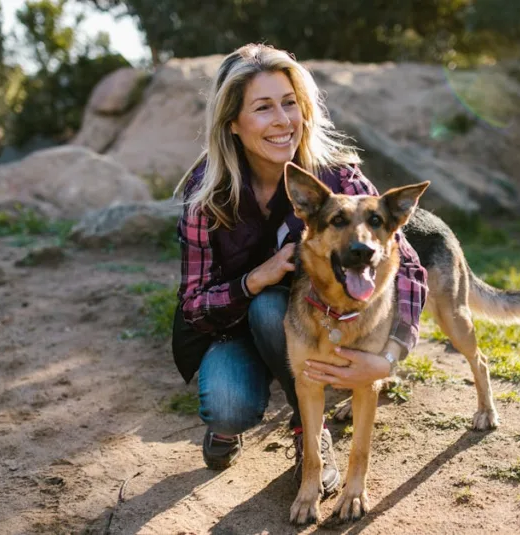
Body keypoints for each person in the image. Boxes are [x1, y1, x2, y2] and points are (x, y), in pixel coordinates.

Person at [171, 43, 427, 492]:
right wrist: (256, 278)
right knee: (230, 404)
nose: (282, 120)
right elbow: (192, 306)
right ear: (233, 123)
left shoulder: (340, 178)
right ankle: (237, 410)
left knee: (275, 310)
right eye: (263, 108)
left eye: (290, 103)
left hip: (302, 324)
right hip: (233, 328)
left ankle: (308, 430)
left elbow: (406, 265)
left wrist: (390, 357)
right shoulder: (206, 195)